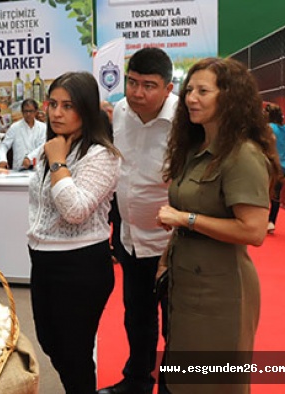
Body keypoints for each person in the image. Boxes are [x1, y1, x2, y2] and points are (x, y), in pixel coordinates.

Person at [157, 57, 278, 394]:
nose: (191, 98)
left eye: (203, 91)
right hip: (186, 286)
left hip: (220, 293)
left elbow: (253, 231)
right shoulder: (196, 150)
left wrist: (186, 219)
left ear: (229, 97)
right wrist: (165, 261)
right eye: (189, 90)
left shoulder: (242, 155)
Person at [27, 72, 121, 393]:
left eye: (68, 106)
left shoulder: (101, 154)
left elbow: (75, 209)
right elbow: (42, 207)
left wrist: (57, 163)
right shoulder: (51, 146)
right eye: (53, 104)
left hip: (80, 266)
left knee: (75, 354)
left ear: (86, 109)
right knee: (50, 342)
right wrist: (53, 156)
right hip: (43, 262)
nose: (56, 113)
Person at [98, 47, 178, 394]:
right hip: (130, 239)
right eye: (132, 82)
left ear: (168, 88)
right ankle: (137, 381)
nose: (137, 93)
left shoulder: (186, 122)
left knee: (177, 325)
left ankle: (175, 386)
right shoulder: (121, 113)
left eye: (148, 85)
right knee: (137, 317)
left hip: (172, 245)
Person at [0, 99, 46, 170]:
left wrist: (30, 158)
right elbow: (4, 145)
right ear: (22, 112)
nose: (28, 114)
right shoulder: (15, 127)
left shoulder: (43, 127)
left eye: (31, 111)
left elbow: (43, 146)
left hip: (38, 168)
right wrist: (2, 159)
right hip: (19, 169)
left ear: (36, 112)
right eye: (25, 111)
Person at [264, 102, 285, 233]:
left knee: (263, 193)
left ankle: (262, 220)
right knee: (276, 195)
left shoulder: (268, 127)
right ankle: (271, 222)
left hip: (270, 164)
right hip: (284, 166)